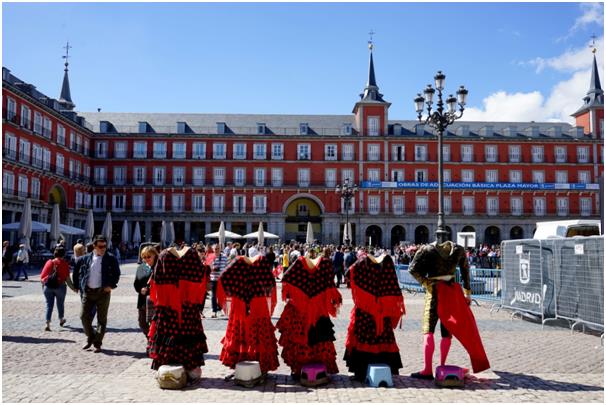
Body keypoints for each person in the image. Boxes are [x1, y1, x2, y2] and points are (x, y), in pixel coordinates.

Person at [408, 240, 490, 380]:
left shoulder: (426, 249)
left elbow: (412, 269)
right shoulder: (458, 250)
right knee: (447, 330)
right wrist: (467, 293)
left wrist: (425, 281)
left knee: (428, 329)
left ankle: (427, 369)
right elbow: (465, 271)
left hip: (433, 290)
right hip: (451, 291)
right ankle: (442, 365)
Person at [147, 244, 210, 377]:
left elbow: (156, 281)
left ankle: (167, 366)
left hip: (168, 308)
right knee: (188, 336)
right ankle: (190, 368)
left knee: (168, 335)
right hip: (188, 307)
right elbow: (202, 276)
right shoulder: (192, 256)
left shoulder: (164, 255)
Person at [276, 254, 342, 380]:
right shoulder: (325, 265)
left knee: (301, 338)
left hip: (300, 310)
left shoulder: (299, 264)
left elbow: (286, 278)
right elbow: (331, 286)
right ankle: (315, 367)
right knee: (319, 338)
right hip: (318, 310)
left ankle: (298, 369)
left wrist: (297, 295)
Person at [344, 253, 405, 381]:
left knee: (363, 338)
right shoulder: (388, 263)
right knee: (384, 337)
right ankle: (385, 368)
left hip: (365, 310)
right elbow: (394, 287)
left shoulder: (363, 263)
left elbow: (348, 273)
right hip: (382, 311)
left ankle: (361, 371)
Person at [217, 253, 279, 374]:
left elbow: (223, 278)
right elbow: (271, 283)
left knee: (240, 330)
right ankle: (260, 364)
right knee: (259, 331)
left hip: (240, 303)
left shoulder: (237, 262)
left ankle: (241, 364)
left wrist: (236, 290)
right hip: (258, 302)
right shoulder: (262, 262)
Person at [73, 235, 121, 353]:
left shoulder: (111, 258)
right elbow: (75, 272)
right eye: (100, 246)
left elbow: (117, 273)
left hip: (102, 292)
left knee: (101, 319)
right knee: (83, 316)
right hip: (88, 292)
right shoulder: (84, 259)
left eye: (105, 246)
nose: (103, 248)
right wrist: (76, 285)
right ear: (94, 246)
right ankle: (91, 336)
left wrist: (111, 285)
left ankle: (97, 343)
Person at [40, 245, 71, 331]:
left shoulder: (49, 262)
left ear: (54, 253)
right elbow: (67, 279)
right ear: (64, 254)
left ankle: (47, 323)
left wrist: (43, 285)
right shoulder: (65, 264)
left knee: (49, 305)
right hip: (60, 286)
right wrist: (74, 288)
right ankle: (61, 319)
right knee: (60, 304)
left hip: (48, 286)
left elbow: (42, 276)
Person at [134, 246, 157, 337]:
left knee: (154, 323)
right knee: (142, 323)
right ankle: (151, 340)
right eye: (144, 257)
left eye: (149, 256)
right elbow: (136, 283)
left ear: (154, 255)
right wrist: (140, 289)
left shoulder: (159, 266)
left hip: (155, 300)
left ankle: (153, 344)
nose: (146, 259)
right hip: (143, 299)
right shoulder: (141, 267)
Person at [210, 244, 227, 318]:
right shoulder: (210, 257)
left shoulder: (224, 257)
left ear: (220, 249)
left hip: (222, 279)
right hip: (213, 278)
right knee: (213, 295)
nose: (216, 250)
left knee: (222, 295)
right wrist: (213, 268)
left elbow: (226, 267)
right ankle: (214, 311)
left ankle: (220, 308)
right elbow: (208, 267)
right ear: (213, 249)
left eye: (218, 248)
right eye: (215, 249)